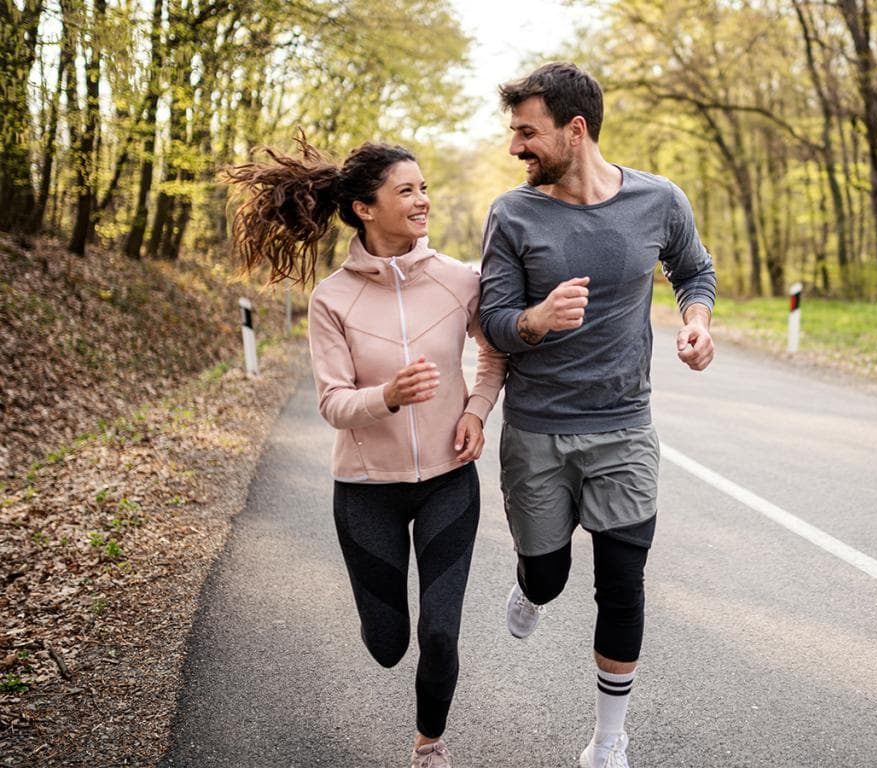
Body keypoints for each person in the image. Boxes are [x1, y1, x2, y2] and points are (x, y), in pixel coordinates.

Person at [223, 136, 506, 768]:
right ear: (362, 208)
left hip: (447, 480)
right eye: (407, 190)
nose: (423, 200)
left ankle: (429, 745)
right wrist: (388, 396)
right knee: (387, 645)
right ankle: (382, 628)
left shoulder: (461, 280)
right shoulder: (333, 299)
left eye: (424, 187)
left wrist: (475, 411)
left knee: (439, 630)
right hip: (365, 490)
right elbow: (333, 404)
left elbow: (493, 355)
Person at [478, 62, 716, 768]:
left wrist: (696, 322)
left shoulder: (658, 200)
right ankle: (530, 587)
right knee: (549, 575)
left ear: (574, 130)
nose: (516, 146)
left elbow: (692, 270)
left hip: (623, 425)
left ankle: (609, 738)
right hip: (538, 429)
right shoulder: (511, 214)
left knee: (622, 581)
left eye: (527, 132)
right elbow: (490, 322)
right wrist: (536, 321)